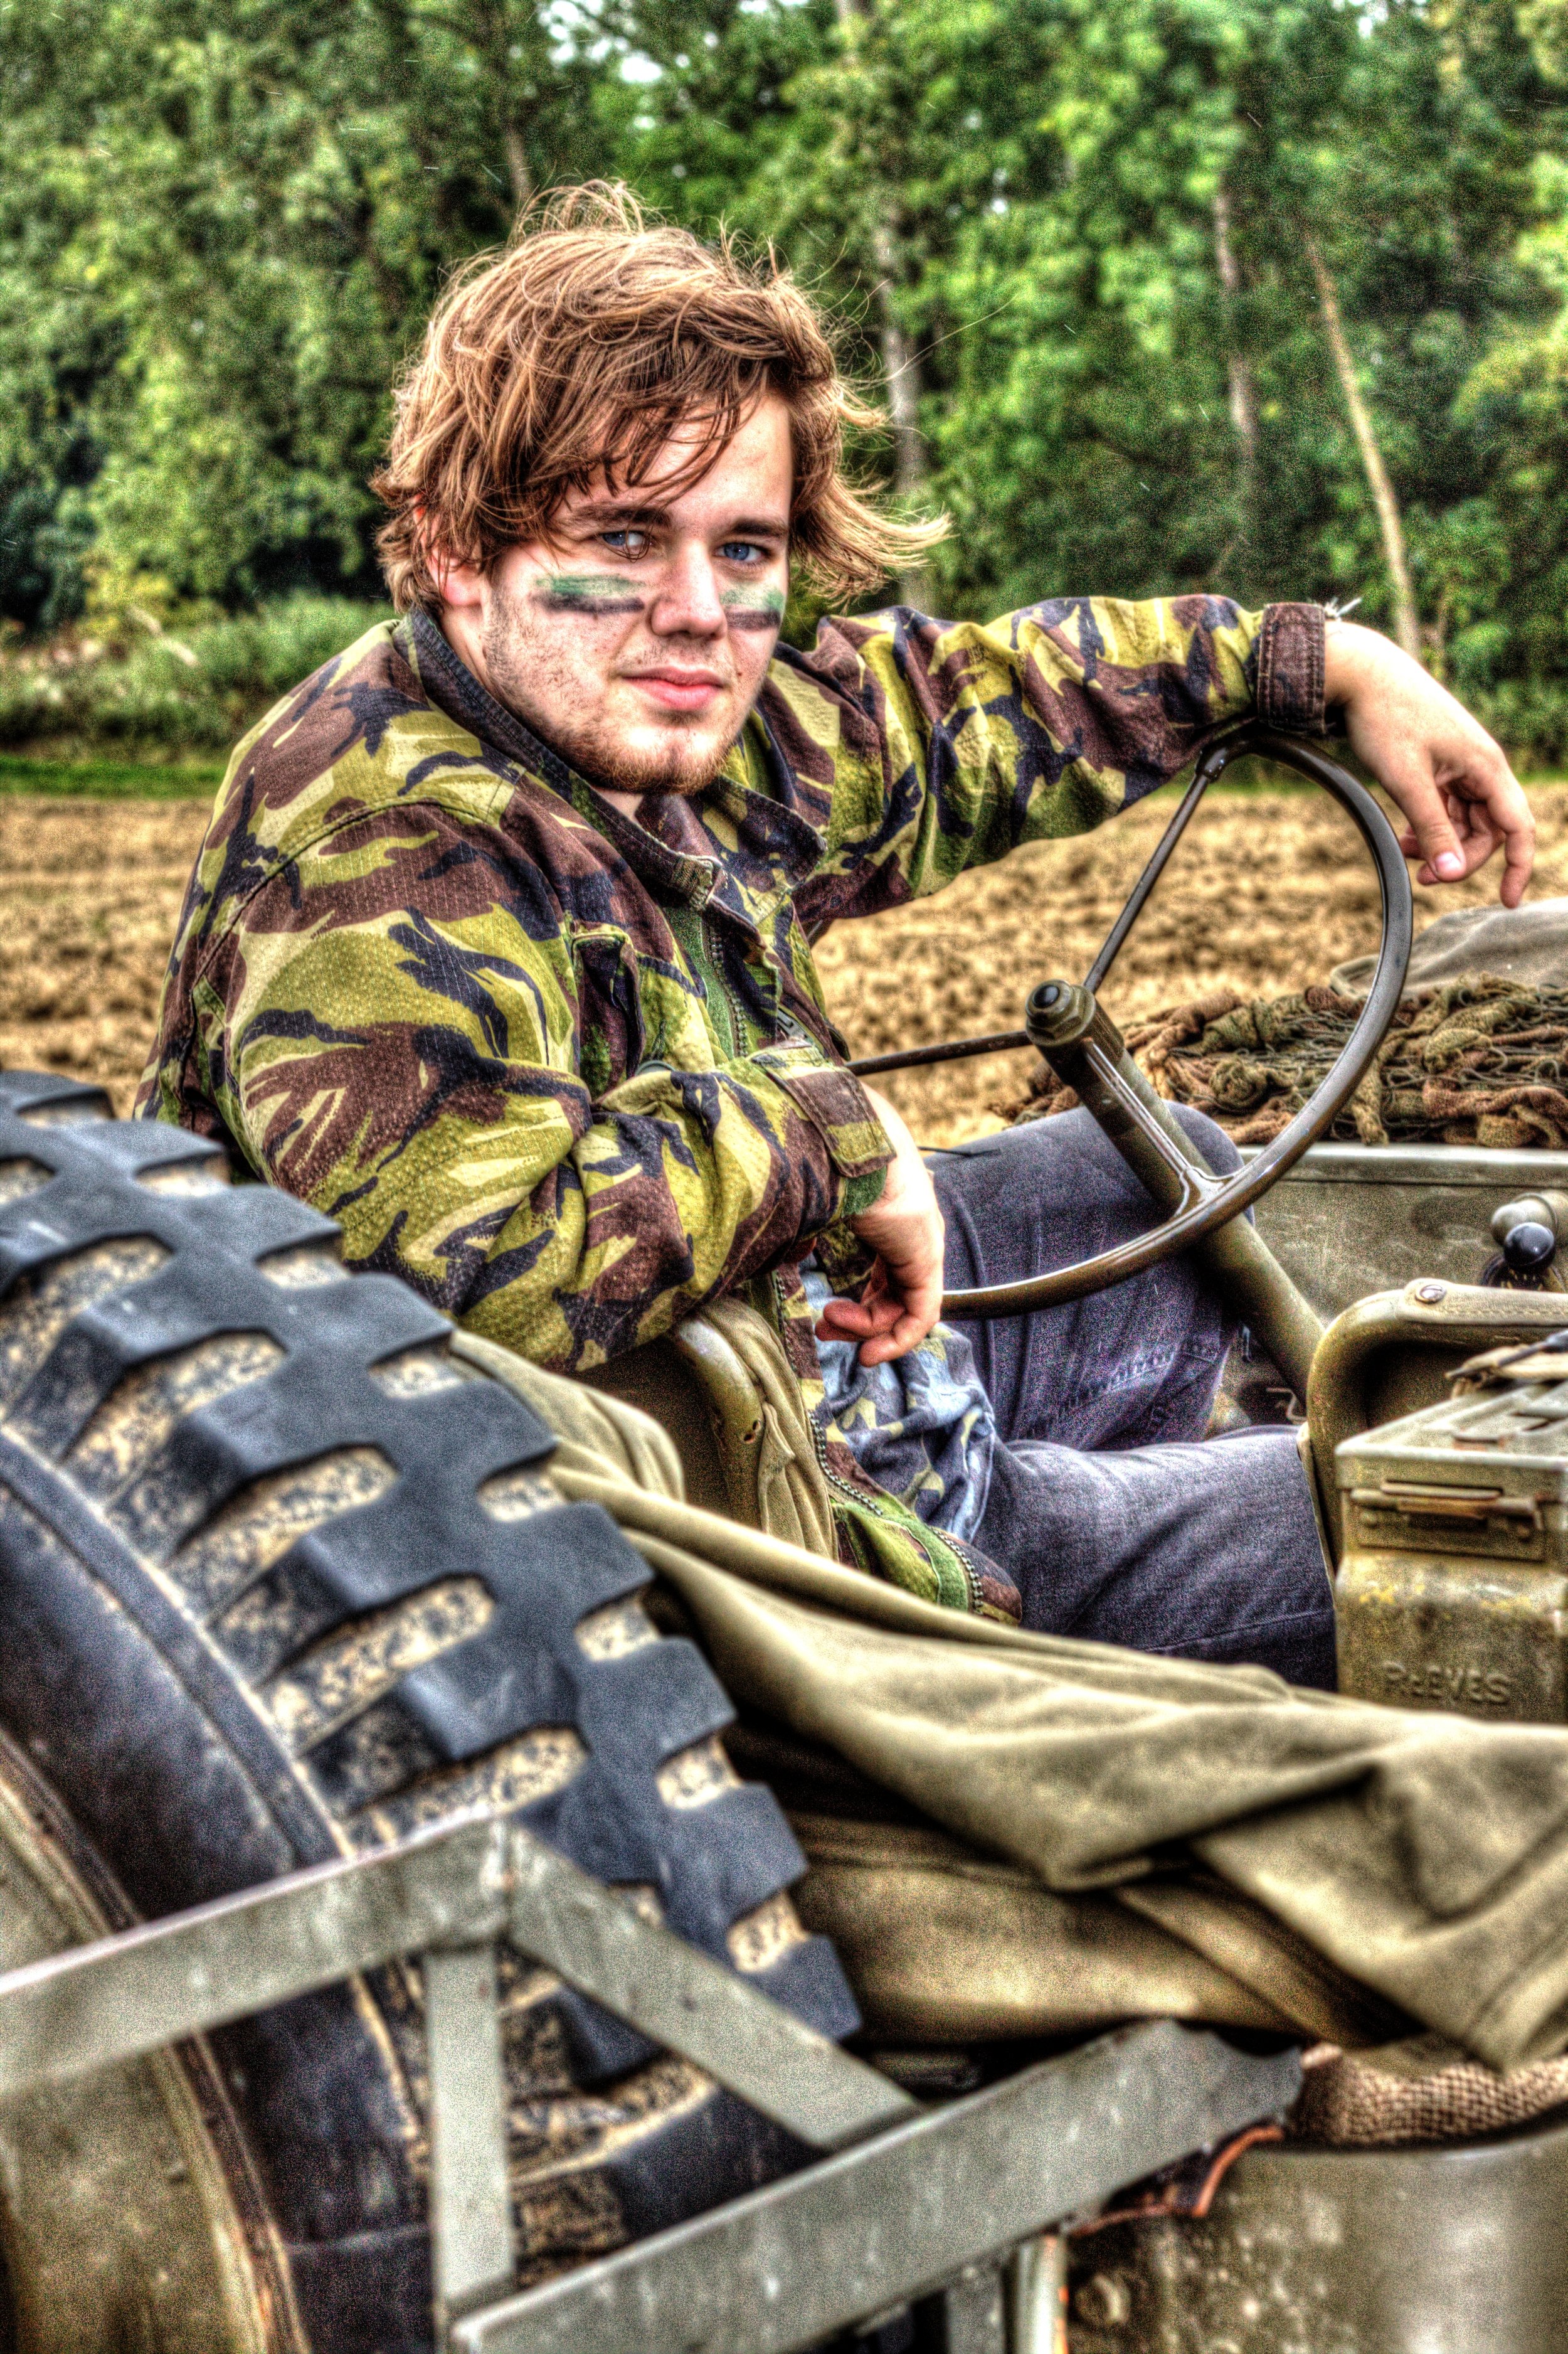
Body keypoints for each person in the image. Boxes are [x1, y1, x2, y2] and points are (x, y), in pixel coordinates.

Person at [137, 185, 1535, 1685]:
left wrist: (1316, 658)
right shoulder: (379, 846)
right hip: (767, 1528)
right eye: (623, 535)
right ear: (452, 546)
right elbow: (474, 1278)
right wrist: (833, 1132)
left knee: (1168, 1175)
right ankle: (1056, 1628)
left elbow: (965, 712)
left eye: (743, 549)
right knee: (1444, 1518)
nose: (699, 612)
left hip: (797, 1338)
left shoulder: (629, 709)